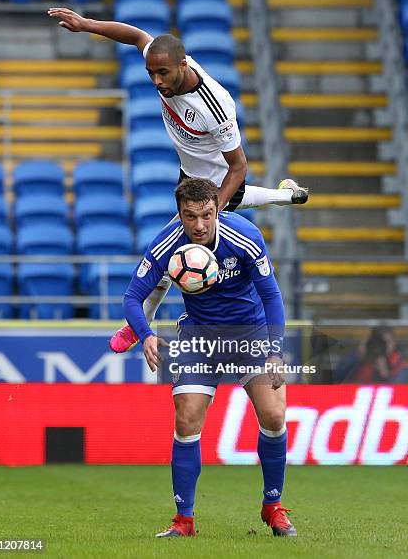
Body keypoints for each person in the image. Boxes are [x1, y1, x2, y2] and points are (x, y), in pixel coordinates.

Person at [47, 8, 308, 351]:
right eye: (151, 72)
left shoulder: (215, 106)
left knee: (173, 257)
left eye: (163, 73)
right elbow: (138, 36)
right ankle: (289, 195)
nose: (156, 81)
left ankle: (136, 326)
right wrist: (87, 25)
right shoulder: (162, 63)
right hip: (188, 171)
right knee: (183, 249)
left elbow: (239, 167)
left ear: (183, 65)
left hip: (215, 179)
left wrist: (214, 208)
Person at [121, 177, 297, 538]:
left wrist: (275, 351)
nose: (199, 225)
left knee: (274, 415)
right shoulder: (167, 244)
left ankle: (273, 507)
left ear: (217, 208)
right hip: (200, 338)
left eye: (206, 215)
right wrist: (146, 334)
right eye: (189, 216)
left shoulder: (245, 237)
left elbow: (272, 297)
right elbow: (131, 298)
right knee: (186, 420)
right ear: (180, 214)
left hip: (252, 334)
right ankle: (184, 520)